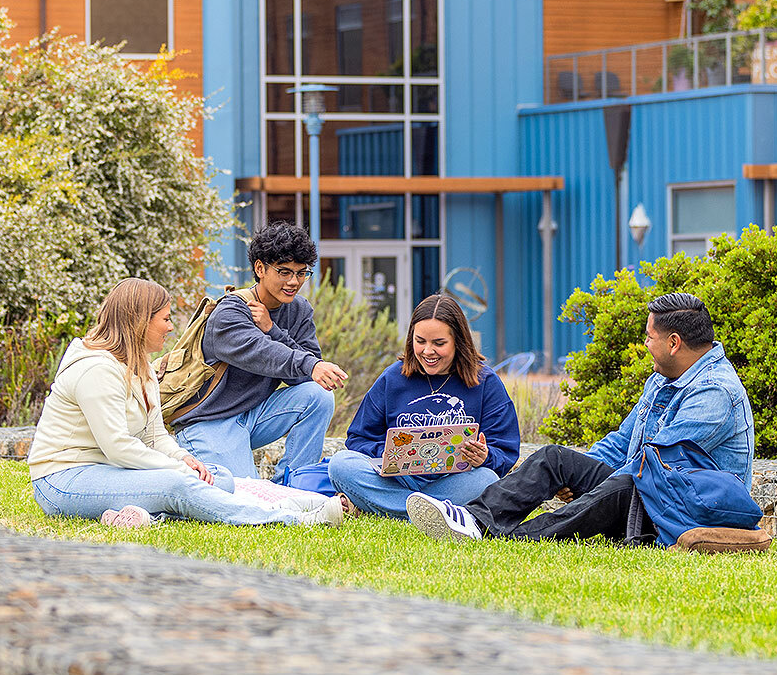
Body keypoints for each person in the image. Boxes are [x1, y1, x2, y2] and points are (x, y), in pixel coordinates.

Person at [406, 292, 753, 544]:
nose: (645, 343)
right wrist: (579, 472)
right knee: (554, 458)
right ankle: (473, 519)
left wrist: (596, 488)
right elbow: (622, 441)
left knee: (624, 483)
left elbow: (656, 468)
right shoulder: (663, 378)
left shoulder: (714, 392)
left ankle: (512, 537)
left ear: (674, 343)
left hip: (685, 510)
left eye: (649, 337)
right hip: (646, 490)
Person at [28, 278, 343, 528]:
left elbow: (154, 437)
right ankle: (290, 517)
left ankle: (300, 499)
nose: (170, 327)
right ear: (139, 321)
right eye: (164, 319)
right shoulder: (96, 369)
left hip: (107, 471)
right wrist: (179, 467)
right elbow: (118, 447)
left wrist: (182, 457)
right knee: (177, 485)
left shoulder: (143, 367)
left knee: (216, 476)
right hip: (64, 480)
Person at [172, 223, 346, 486]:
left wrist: (273, 330)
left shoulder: (298, 310)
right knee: (247, 494)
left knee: (319, 395)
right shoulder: (230, 312)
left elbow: (306, 376)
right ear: (260, 268)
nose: (293, 282)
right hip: (210, 422)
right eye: (284, 271)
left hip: (255, 416)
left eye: (301, 273)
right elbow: (261, 353)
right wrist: (308, 363)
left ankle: (295, 485)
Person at [326, 294, 523, 519]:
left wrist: (485, 457)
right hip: (396, 479)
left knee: (486, 480)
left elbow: (505, 451)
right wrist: (389, 454)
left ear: (458, 341)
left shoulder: (485, 382)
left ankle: (390, 508)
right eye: (420, 341)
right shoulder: (393, 377)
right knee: (340, 465)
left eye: (439, 343)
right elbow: (358, 439)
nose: (428, 351)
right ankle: (432, 514)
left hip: (454, 481)